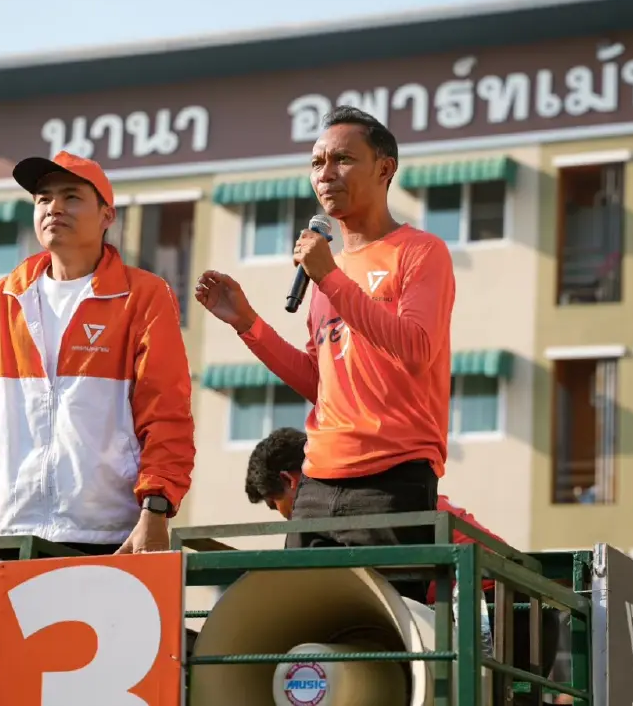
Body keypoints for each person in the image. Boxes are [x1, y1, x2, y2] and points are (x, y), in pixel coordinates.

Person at [195, 105, 456, 603]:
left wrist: (331, 278)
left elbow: (417, 348)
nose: (325, 174)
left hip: (393, 475)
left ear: (384, 168)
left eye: (341, 159)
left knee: (383, 633)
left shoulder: (419, 252)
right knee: (307, 630)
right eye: (316, 163)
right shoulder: (325, 274)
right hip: (317, 481)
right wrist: (248, 325)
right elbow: (322, 385)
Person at [0, 151, 195, 565]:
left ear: (107, 216)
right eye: (43, 198)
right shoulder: (1, 302)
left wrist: (156, 508)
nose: (54, 207)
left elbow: (166, 413)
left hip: (111, 533)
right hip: (15, 534)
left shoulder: (144, 296)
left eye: (71, 197)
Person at [244, 428, 563, 704]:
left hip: (498, 615)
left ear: (290, 480)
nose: (285, 515)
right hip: (518, 612)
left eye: (276, 505)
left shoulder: (335, 515)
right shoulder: (376, 498)